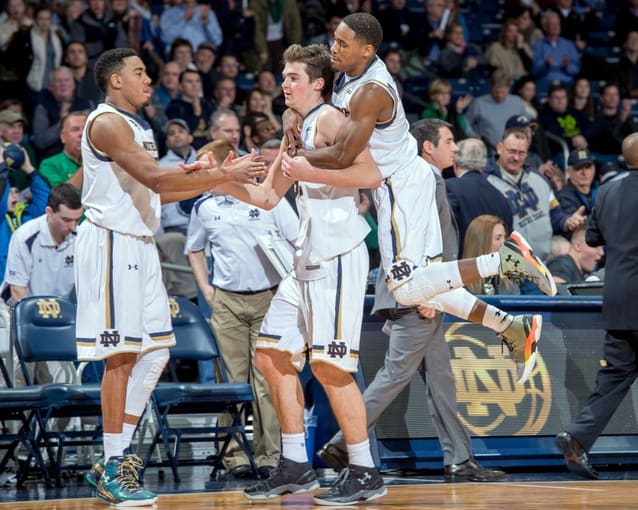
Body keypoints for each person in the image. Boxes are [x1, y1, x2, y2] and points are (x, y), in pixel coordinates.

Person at [193, 43, 388, 505]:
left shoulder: (331, 120)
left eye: (293, 77)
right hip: (305, 257)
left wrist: (307, 167)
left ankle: (364, 471)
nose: (284, 83)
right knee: (271, 356)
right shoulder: (297, 127)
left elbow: (370, 175)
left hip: (339, 252)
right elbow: (265, 197)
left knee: (329, 365)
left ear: (318, 83)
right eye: (283, 76)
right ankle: (296, 464)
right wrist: (211, 177)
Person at [77, 47, 266, 507]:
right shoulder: (105, 122)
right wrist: (223, 174)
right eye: (139, 72)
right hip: (110, 241)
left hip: (139, 243)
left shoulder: (139, 128)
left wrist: (195, 174)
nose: (148, 79)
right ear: (114, 81)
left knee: (157, 350)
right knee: (121, 357)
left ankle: (113, 459)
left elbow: (157, 188)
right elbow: (156, 181)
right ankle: (115, 460)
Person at [283, 14, 555, 321]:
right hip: (409, 176)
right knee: (430, 282)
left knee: (405, 288)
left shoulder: (371, 91)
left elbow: (345, 155)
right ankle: (511, 327)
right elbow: (312, 94)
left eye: (342, 44)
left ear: (367, 50)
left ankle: (503, 260)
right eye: (335, 39)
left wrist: (301, 156)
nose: (334, 48)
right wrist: (290, 113)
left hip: (401, 185)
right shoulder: (347, 68)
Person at [186, 139, 298, 479]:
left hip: (268, 298)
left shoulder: (265, 196)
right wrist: (205, 288)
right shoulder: (204, 207)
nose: (203, 170)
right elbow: (194, 249)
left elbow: (296, 240)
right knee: (231, 380)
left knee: (266, 380)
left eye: (207, 164)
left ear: (229, 161)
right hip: (227, 302)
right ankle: (234, 456)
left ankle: (270, 455)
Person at [555, 132, 638, 479]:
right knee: (614, 377)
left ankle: (576, 437)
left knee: (614, 377)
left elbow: (591, 239)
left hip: (618, 298)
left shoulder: (607, 191)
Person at [1, 184, 81, 304]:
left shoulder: (81, 236)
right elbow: (17, 290)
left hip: (60, 310)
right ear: (49, 212)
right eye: (66, 220)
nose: (73, 226)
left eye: (77, 220)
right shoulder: (24, 237)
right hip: (21, 310)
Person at [444, 137, 513, 254]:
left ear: (454, 164)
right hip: (494, 267)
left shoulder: (450, 187)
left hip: (464, 267)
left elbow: (446, 233)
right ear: (483, 166)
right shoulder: (500, 196)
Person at [38, 111, 87, 190]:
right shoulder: (49, 165)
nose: (82, 133)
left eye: (85, 129)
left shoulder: (101, 161)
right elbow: (63, 197)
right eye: (75, 129)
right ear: (63, 137)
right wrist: (88, 162)